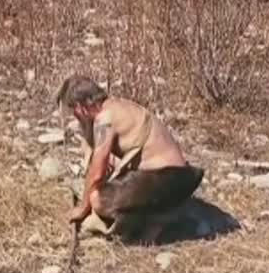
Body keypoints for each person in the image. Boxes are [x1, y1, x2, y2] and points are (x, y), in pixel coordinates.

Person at [57, 75, 204, 244]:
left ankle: (158, 219)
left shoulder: (104, 119)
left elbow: (97, 173)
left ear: (81, 106)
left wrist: (83, 208)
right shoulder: (116, 106)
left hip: (169, 179)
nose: (75, 115)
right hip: (181, 177)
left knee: (98, 199)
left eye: (73, 109)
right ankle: (160, 214)